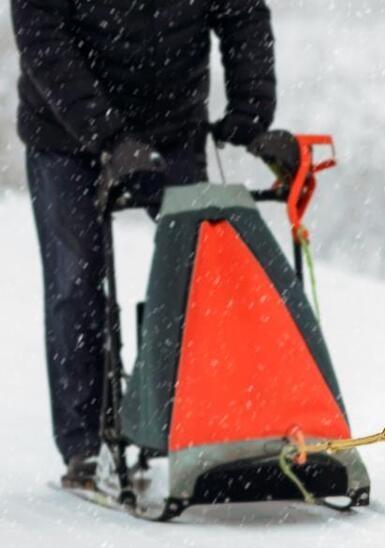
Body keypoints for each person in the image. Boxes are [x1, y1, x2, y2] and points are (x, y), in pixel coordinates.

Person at [11, 0, 277, 487]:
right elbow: (44, 43)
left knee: (201, 274)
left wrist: (250, 107)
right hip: (64, 135)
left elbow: (242, 15)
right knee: (76, 282)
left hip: (172, 127)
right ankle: (85, 447)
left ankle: (203, 424)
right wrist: (109, 137)